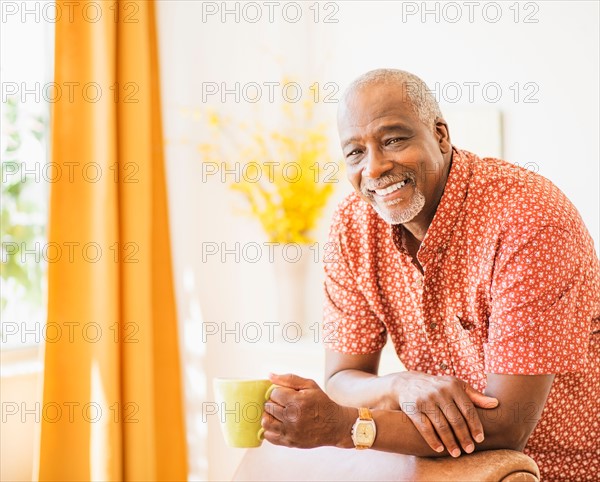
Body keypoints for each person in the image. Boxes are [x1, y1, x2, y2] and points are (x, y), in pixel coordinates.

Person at [260, 69, 600, 481]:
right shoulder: (353, 227)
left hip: (561, 471)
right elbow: (341, 379)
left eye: (393, 140)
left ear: (440, 135)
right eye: (355, 152)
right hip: (440, 471)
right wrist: (400, 384)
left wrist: (347, 427)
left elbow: (509, 426)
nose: (375, 167)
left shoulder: (528, 220)